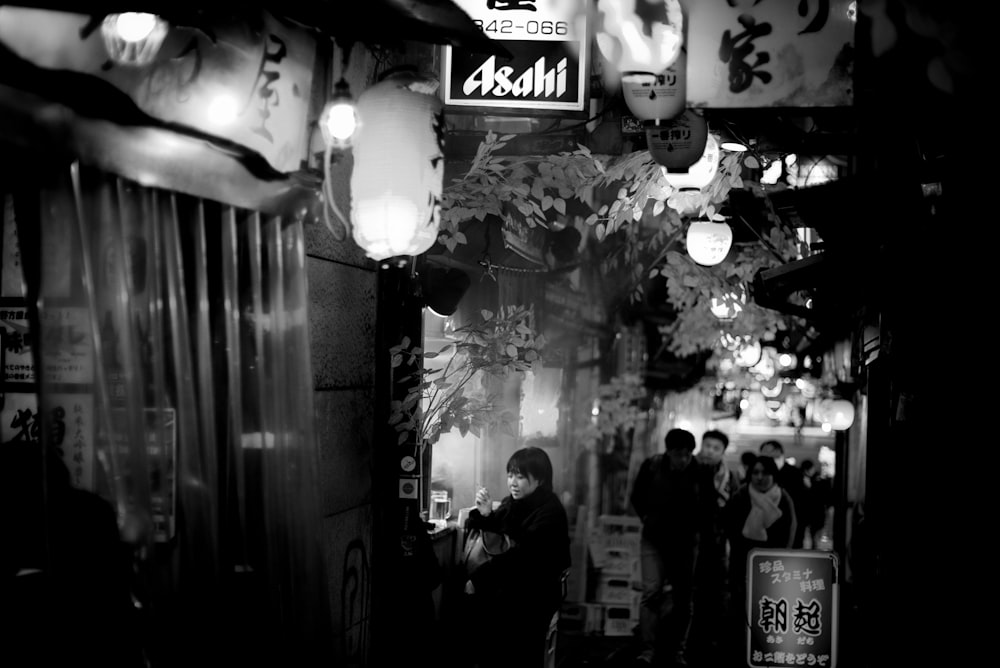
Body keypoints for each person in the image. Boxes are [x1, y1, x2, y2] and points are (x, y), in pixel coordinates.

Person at [460, 446, 571, 668]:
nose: (512, 482)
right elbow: (501, 529)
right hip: (513, 584)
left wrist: (480, 579)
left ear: (539, 479)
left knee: (518, 652)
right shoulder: (513, 503)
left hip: (535, 592)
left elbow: (523, 558)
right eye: (510, 475)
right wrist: (485, 514)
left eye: (520, 477)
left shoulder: (550, 512)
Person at [629, 428, 714, 667]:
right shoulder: (653, 466)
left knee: (684, 597)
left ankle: (678, 649)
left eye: (688, 454)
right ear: (668, 452)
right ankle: (647, 650)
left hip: (686, 543)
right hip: (654, 539)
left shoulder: (701, 471)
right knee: (651, 592)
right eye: (679, 454)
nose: (684, 459)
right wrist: (648, 518)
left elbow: (708, 506)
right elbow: (637, 497)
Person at [723, 453, 798, 658]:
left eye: (765, 472)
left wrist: (782, 558)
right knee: (741, 608)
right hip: (743, 562)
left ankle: (765, 651)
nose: (759, 477)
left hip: (773, 563)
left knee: (769, 608)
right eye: (755, 472)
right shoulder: (741, 496)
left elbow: (790, 529)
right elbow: (731, 528)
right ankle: (739, 653)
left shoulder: (783, 497)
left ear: (773, 474)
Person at [691, 429, 740, 663]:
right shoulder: (689, 469)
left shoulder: (729, 477)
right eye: (707, 445)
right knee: (690, 590)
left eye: (715, 448)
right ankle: (689, 639)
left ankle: (709, 638)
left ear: (722, 452)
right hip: (691, 540)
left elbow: (736, 508)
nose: (710, 451)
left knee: (714, 589)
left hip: (718, 543)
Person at [759, 440, 808, 548]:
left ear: (778, 451)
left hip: (791, 525)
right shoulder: (762, 473)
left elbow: (801, 503)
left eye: (766, 451)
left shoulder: (794, 473)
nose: (763, 456)